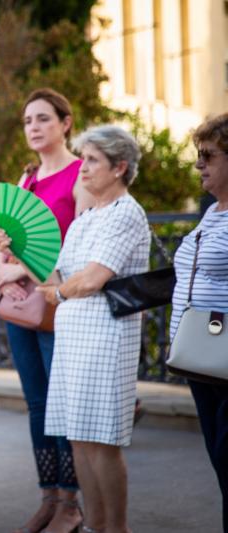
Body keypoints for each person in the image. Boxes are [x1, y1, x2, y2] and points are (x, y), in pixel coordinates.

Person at [10, 125, 146, 533]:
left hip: (105, 342)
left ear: (119, 167)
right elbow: (56, 275)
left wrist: (58, 293)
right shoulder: (88, 216)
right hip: (74, 342)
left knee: (103, 445)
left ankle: (114, 528)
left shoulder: (126, 214)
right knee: (81, 441)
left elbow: (91, 279)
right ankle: (95, 526)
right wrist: (17, 248)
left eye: (91, 161)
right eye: (83, 158)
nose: (82, 168)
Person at [0, 88, 91, 533]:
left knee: (60, 404)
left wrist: (20, 270)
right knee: (35, 404)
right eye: (28, 120)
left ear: (65, 123)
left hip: (58, 303)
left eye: (43, 119)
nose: (33, 126)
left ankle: (71, 504)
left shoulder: (80, 177)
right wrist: (0, 260)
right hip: (20, 308)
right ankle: (48, 497)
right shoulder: (24, 179)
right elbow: (3, 244)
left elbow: (78, 250)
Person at [170, 113, 228, 532]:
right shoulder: (211, 213)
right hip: (200, 357)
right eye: (197, 156)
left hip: (225, 354)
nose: (199, 164)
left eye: (207, 155)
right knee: (221, 464)